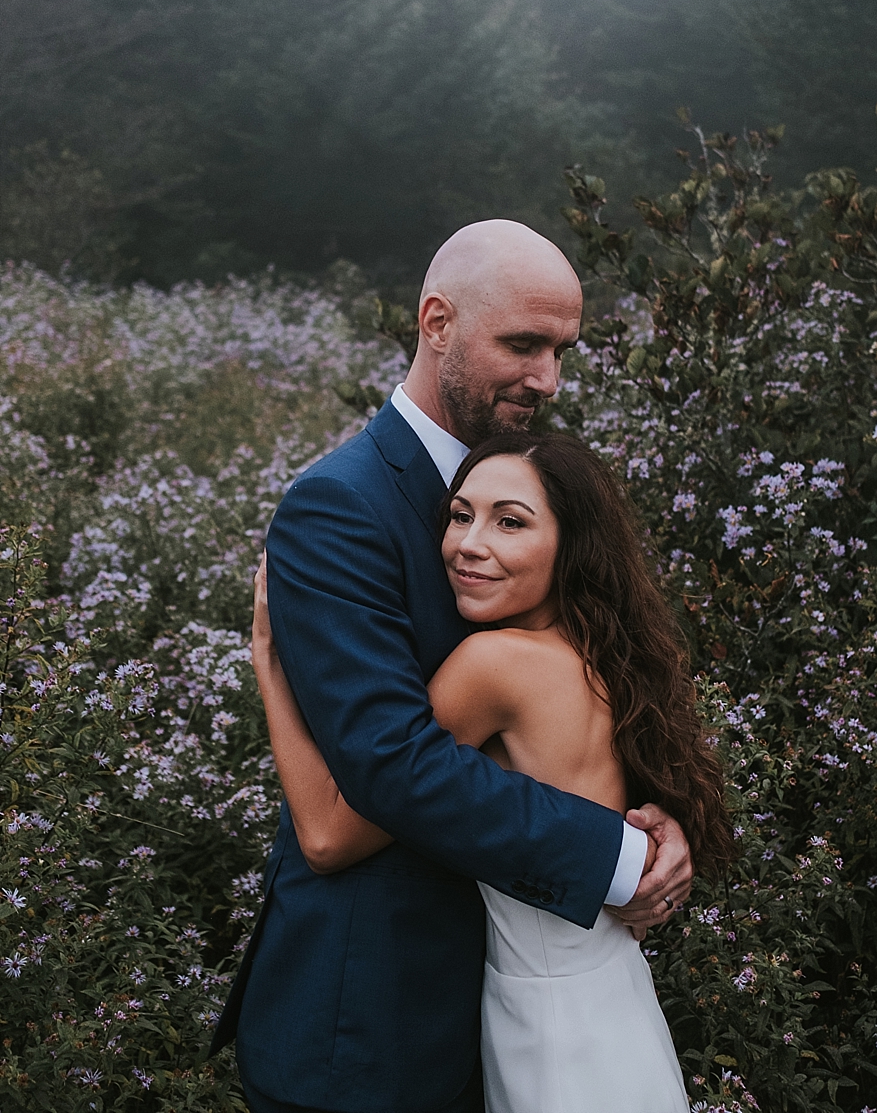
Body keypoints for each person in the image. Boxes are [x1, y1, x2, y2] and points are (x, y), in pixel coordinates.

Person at [210, 220, 695, 1113]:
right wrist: (615, 858)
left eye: (560, 350)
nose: (548, 378)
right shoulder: (340, 507)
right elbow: (394, 766)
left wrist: (658, 822)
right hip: (371, 1025)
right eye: (522, 344)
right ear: (436, 323)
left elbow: (590, 674)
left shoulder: (522, 480)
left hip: (507, 1010)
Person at [252, 433, 736, 1112]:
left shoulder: (495, 665)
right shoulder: (605, 656)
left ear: (572, 544)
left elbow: (330, 832)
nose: (468, 544)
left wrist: (272, 666)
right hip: (611, 1002)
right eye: (459, 514)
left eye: (510, 521)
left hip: (550, 1031)